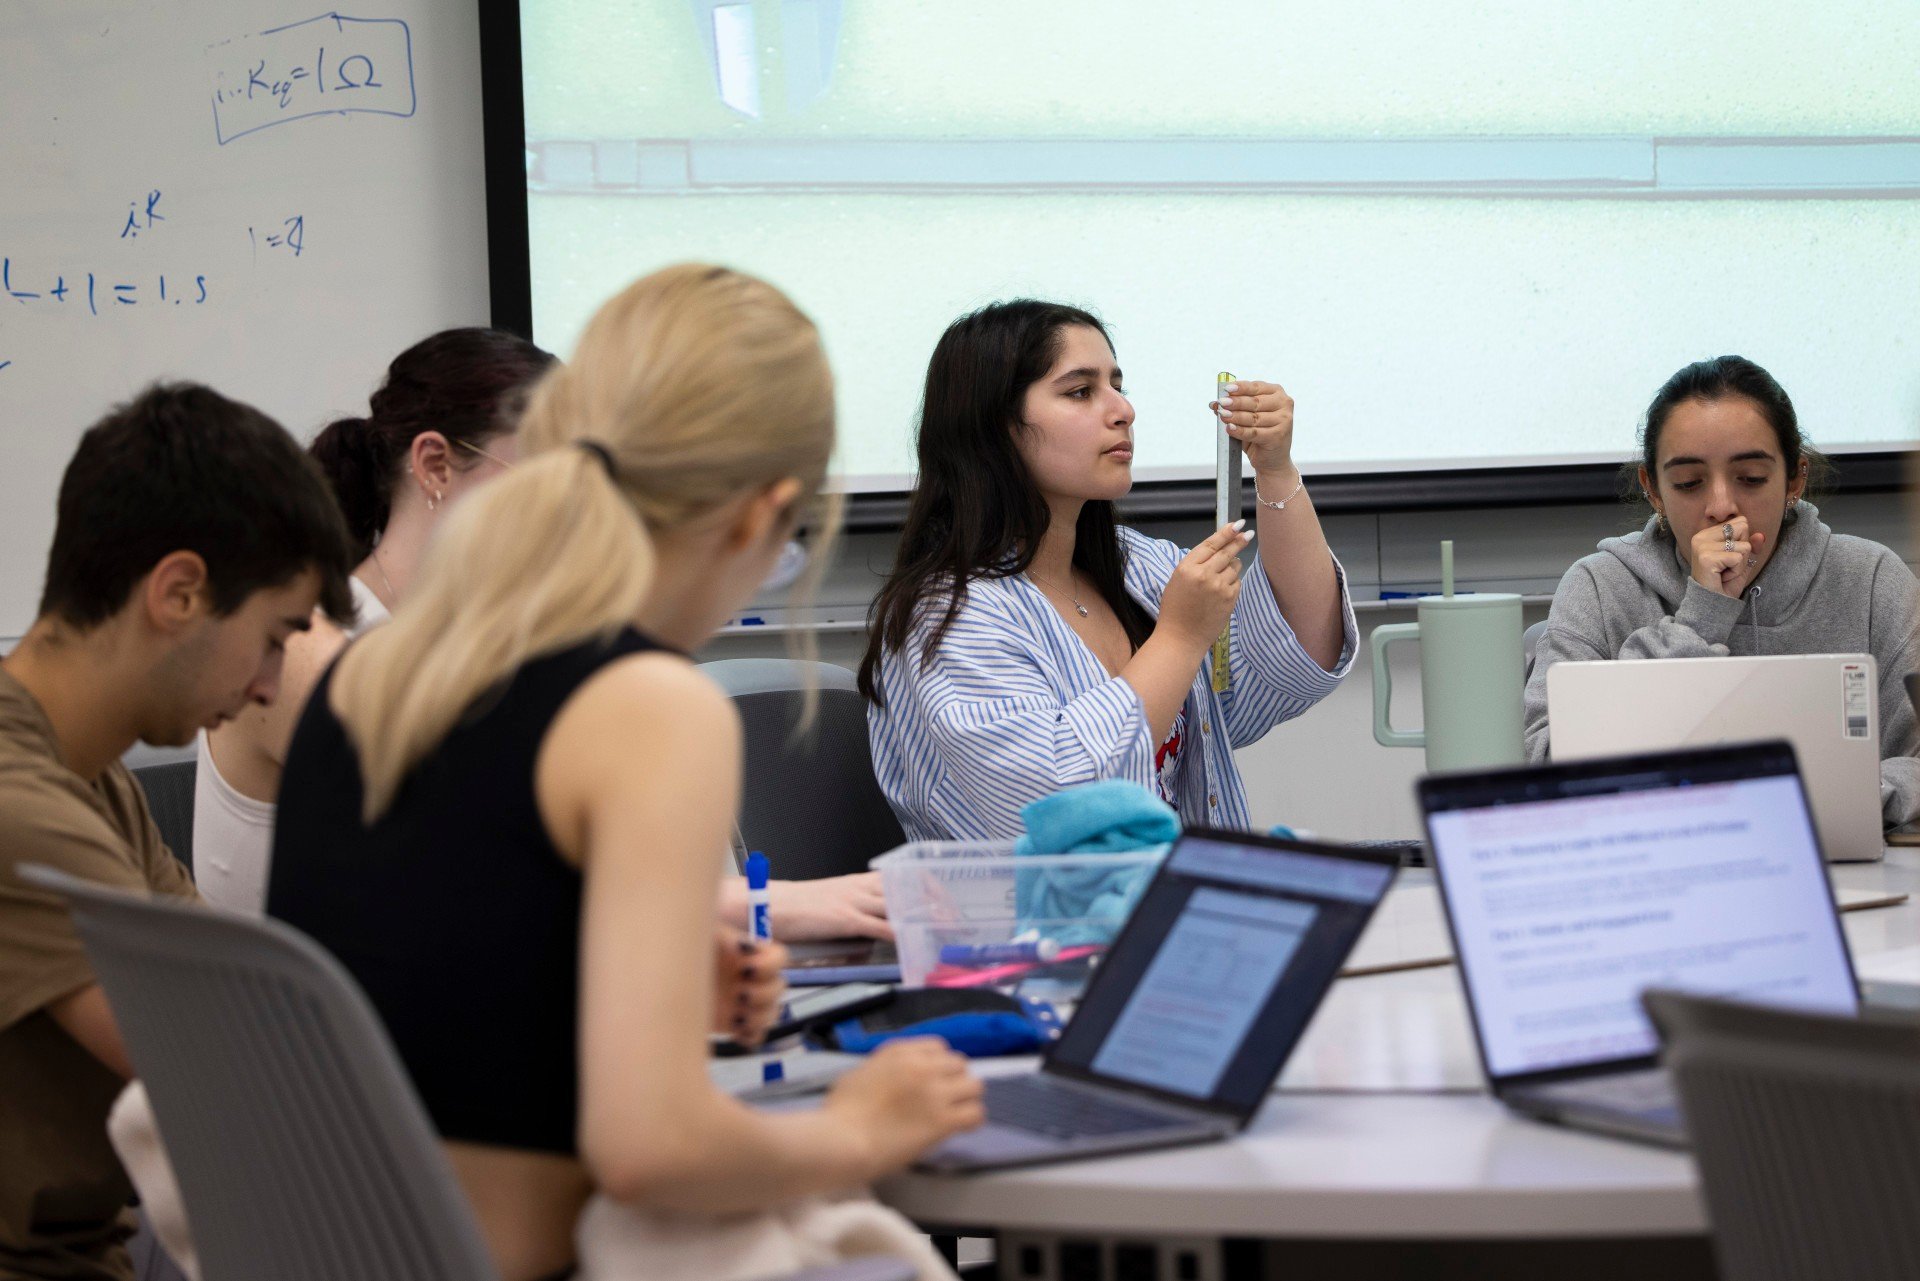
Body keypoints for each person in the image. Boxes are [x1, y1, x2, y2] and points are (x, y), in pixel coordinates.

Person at [266, 266, 982, 1281]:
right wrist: (862, 1130)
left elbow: (445, 995)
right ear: (763, 516)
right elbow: (652, 1150)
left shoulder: (378, 671)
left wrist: (643, 986)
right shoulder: (651, 706)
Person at [200, 328, 890, 938]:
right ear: (435, 464)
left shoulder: (479, 647)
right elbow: (499, 891)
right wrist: (778, 907)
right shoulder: (310, 649)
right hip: (322, 1058)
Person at [0, 384, 354, 1280]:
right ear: (180, 591)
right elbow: (230, 1058)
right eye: (273, 637)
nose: (272, 685)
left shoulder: (94, 779)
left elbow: (240, 982)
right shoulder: (18, 801)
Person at [860, 300, 1355, 840]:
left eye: (1118, 385)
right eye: (1080, 391)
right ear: (994, 426)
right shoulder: (950, 614)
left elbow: (1293, 654)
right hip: (1028, 919)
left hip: (1163, 906)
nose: (1123, 410)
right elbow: (1056, 807)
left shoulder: (1136, 567)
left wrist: (1275, 468)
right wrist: (1181, 637)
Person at [1525, 354, 1920, 825]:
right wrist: (1703, 614)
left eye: (1751, 478)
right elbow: (1546, 767)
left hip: (1847, 864)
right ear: (1653, 489)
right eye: (1689, 483)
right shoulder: (1598, 587)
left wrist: (1840, 797)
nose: (1721, 506)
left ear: (1795, 478)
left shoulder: (1873, 579)